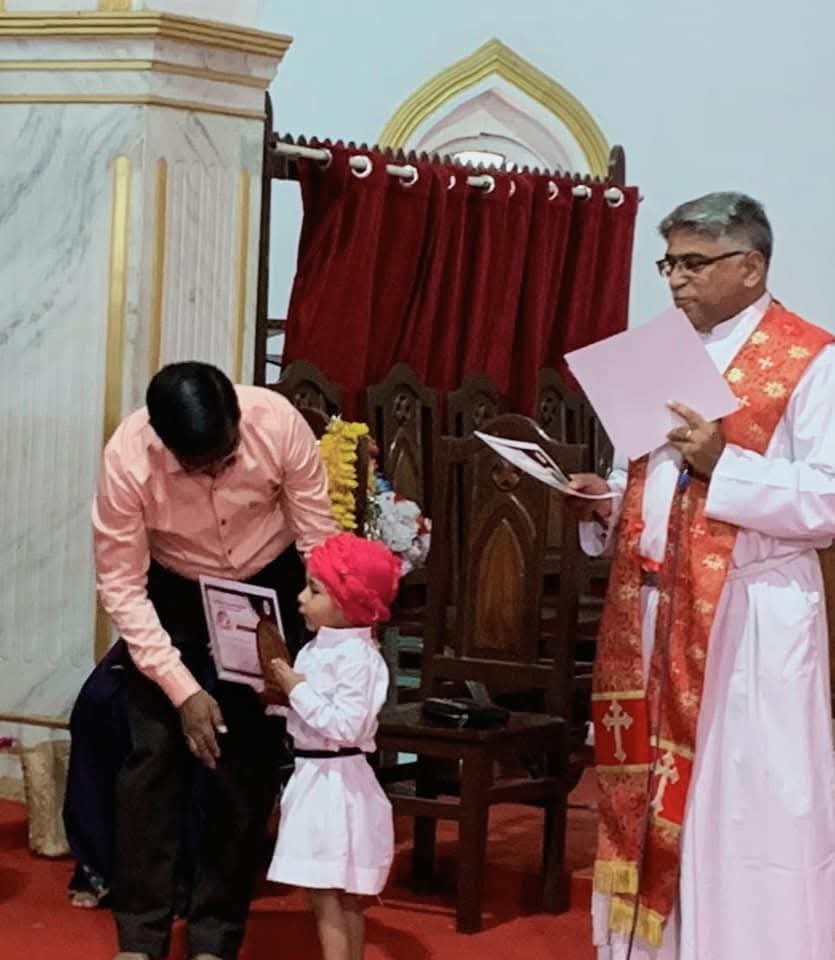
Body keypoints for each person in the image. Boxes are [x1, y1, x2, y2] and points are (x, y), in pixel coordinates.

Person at [569, 193, 835, 960]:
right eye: (668, 264)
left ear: (749, 265)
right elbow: (649, 483)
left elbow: (826, 500)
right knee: (652, 788)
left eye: (693, 263)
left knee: (744, 805)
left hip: (750, 620)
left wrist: (725, 463)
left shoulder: (810, 360)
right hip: (652, 615)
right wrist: (602, 502)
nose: (676, 280)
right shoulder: (659, 355)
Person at [92, 361, 335, 960]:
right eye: (198, 467)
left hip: (266, 580)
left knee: (244, 763)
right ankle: (140, 935)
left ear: (237, 417)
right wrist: (182, 690)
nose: (215, 474)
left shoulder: (277, 423)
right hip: (174, 588)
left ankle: (215, 937)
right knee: (152, 760)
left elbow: (318, 542)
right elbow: (121, 585)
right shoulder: (129, 458)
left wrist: (332, 646)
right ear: (163, 442)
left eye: (226, 458)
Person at [264, 532, 400, 960]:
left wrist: (296, 689)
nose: (301, 598)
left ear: (348, 603)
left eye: (314, 590)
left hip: (337, 786)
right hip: (313, 777)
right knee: (330, 894)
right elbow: (309, 718)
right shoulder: (315, 649)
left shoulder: (359, 659)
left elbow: (345, 726)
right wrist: (275, 697)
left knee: (331, 895)